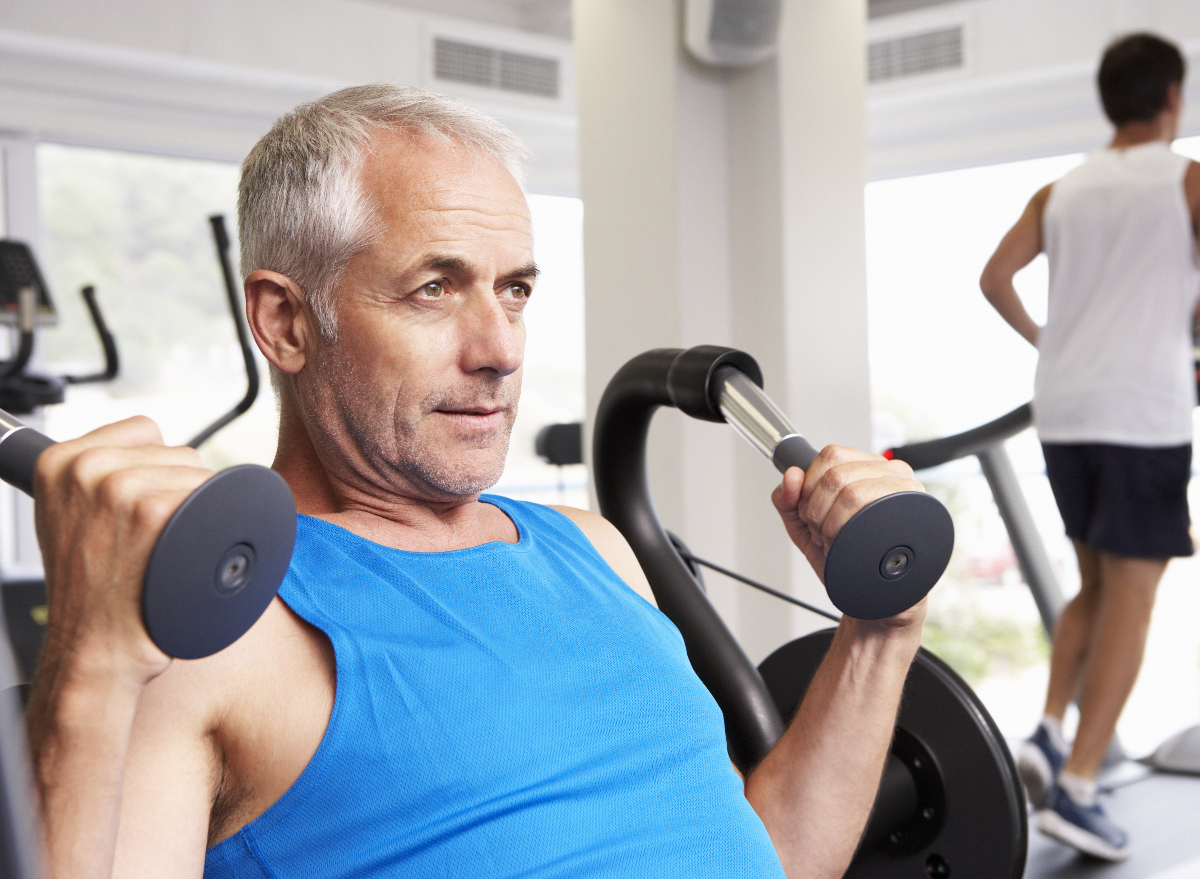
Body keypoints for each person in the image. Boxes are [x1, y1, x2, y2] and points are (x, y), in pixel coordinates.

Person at [26, 84, 927, 879]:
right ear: (286, 322)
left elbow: (766, 857)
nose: (500, 350)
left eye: (516, 290)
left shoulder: (596, 549)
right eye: (433, 287)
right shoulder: (211, 632)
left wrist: (882, 629)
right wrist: (89, 665)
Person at [980, 33, 1200, 863]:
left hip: (1065, 406)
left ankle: (1048, 729)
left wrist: (1049, 340)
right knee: (1135, 596)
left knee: (1096, 583)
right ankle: (1076, 783)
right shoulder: (1185, 179)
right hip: (1141, 410)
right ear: (1171, 97)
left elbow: (993, 276)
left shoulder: (1061, 188)